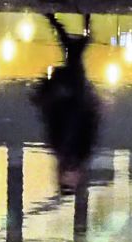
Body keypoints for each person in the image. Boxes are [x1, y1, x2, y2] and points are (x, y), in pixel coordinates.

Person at [30, 14, 103, 192]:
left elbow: (52, 122)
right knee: (74, 55)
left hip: (70, 97)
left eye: (67, 178)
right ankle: (73, 23)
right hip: (76, 98)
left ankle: (79, 24)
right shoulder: (80, 153)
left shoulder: (63, 151)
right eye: (72, 179)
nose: (71, 175)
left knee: (73, 55)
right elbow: (90, 126)